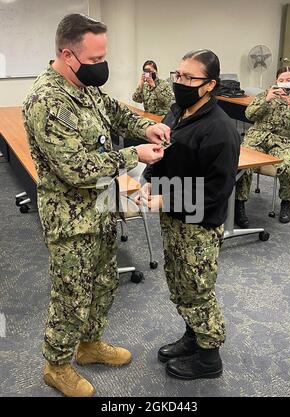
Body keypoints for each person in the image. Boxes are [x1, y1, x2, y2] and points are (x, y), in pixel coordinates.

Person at [22, 13, 170, 397]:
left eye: (103, 56)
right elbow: (76, 169)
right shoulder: (48, 100)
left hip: (102, 205)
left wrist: (144, 126)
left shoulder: (84, 87)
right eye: (93, 60)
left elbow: (115, 111)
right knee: (71, 291)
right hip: (70, 216)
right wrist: (132, 154)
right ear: (68, 55)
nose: (100, 66)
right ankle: (56, 365)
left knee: (103, 282)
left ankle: (89, 347)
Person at [136, 50, 240, 379]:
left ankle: (209, 357)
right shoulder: (177, 111)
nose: (180, 82)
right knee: (180, 284)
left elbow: (216, 191)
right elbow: (163, 153)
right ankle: (193, 336)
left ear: (209, 85)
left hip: (199, 224)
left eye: (188, 78)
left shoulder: (220, 130)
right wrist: (150, 181)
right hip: (175, 219)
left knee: (197, 289)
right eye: (177, 75)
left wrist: (166, 200)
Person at [235, 67, 290, 227]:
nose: (286, 83)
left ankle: (286, 202)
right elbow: (249, 115)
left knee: (289, 163)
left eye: (289, 79)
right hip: (258, 138)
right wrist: (266, 100)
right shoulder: (265, 94)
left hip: (283, 141)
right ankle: (239, 205)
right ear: (276, 81)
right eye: (282, 80)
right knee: (243, 163)